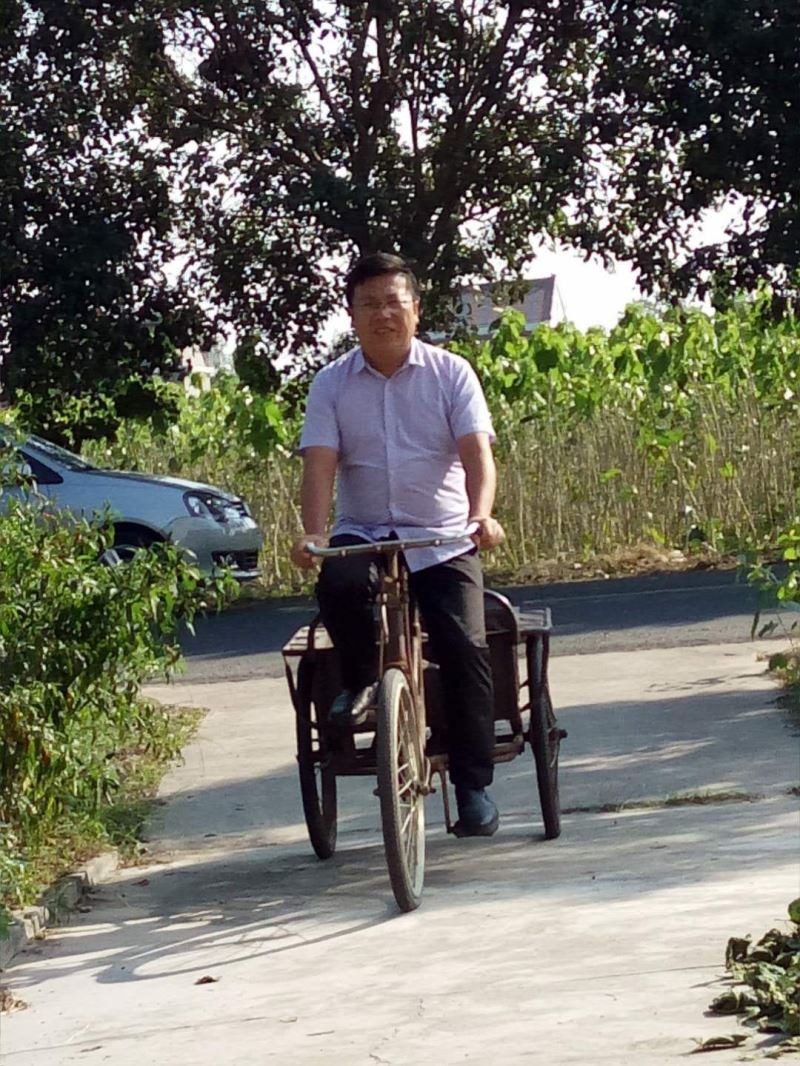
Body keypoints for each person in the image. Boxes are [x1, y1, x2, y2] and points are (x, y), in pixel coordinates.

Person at [290, 252, 505, 838]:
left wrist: (481, 516)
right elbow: (319, 464)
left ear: (415, 310)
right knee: (339, 584)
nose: (382, 314)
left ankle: (473, 787)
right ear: (351, 315)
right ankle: (364, 683)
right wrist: (314, 533)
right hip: (364, 530)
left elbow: (477, 455)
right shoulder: (331, 384)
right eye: (369, 304)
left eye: (393, 302)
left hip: (441, 534)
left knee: (465, 646)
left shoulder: (451, 374)